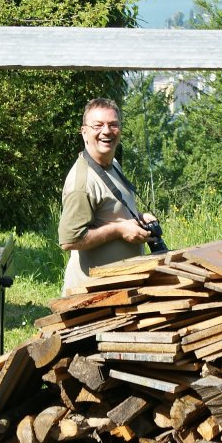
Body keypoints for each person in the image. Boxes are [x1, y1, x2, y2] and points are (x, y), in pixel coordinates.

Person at [57, 97, 160, 295]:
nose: (106, 131)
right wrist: (119, 230)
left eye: (113, 125)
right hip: (90, 297)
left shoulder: (112, 165)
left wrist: (137, 218)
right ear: (84, 132)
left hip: (117, 291)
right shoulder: (82, 183)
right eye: (98, 125)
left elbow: (110, 211)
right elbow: (69, 240)